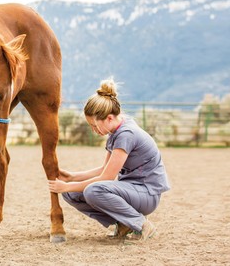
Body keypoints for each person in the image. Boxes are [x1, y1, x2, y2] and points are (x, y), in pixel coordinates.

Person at [48, 78, 170, 243]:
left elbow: (106, 178)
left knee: (93, 190)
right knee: (71, 194)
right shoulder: (115, 133)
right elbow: (104, 169)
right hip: (132, 191)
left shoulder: (126, 135)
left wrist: (66, 185)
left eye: (95, 126)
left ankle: (141, 225)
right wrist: (72, 178)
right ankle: (124, 223)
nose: (93, 130)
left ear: (110, 118)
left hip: (146, 194)